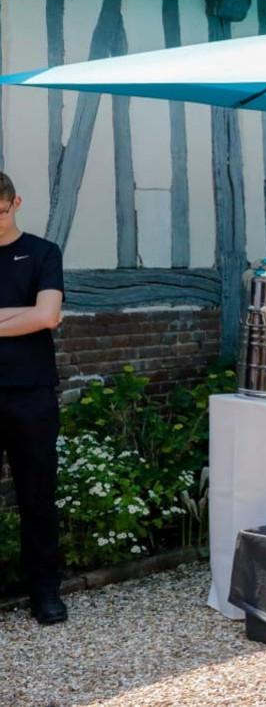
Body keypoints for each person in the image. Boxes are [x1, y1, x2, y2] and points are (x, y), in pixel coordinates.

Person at [0, 171, 67, 625]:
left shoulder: (43, 252)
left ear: (16, 203)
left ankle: (45, 592)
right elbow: (35, 314)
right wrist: (21, 315)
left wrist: (35, 315)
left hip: (32, 392)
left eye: (0, 213)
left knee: (37, 496)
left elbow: (47, 316)